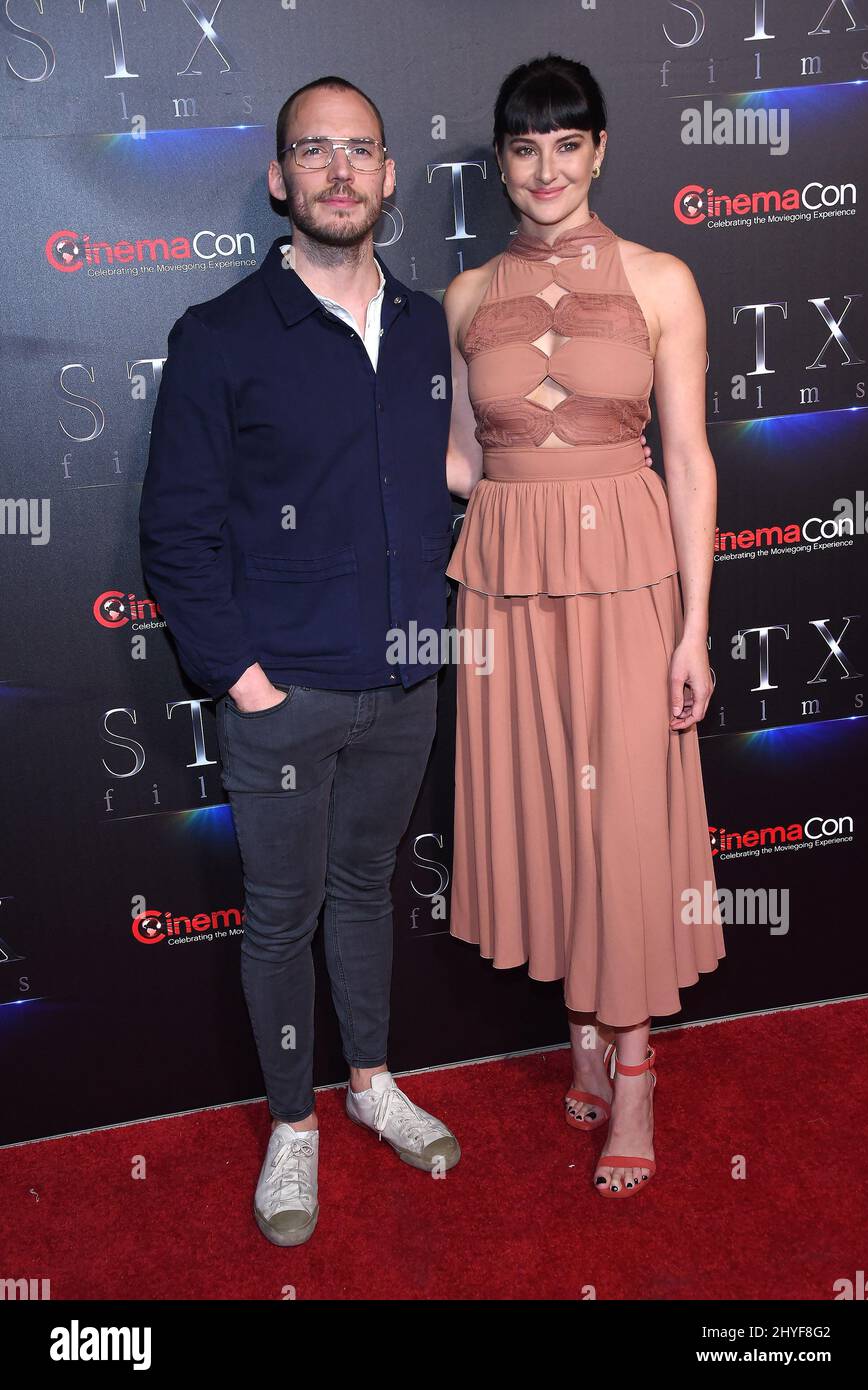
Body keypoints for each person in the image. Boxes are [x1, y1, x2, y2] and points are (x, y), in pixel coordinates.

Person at [139, 76, 461, 1246]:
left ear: (387, 177)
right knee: (280, 920)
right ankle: (293, 1123)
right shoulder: (221, 335)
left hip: (404, 688)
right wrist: (243, 678)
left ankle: (369, 1080)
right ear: (280, 180)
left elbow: (459, 472)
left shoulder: (427, 324)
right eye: (311, 153)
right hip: (280, 698)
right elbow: (176, 528)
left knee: (367, 893)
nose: (337, 172)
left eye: (358, 152)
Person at [443, 54, 725, 1199]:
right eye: (524, 148)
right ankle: (578, 1026)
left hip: (626, 582)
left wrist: (694, 628)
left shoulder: (662, 278)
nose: (545, 168)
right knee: (544, 806)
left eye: (567, 143)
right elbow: (463, 463)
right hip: (507, 582)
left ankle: (638, 1061)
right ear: (500, 165)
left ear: (599, 149)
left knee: (625, 822)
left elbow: (693, 459)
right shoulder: (463, 300)